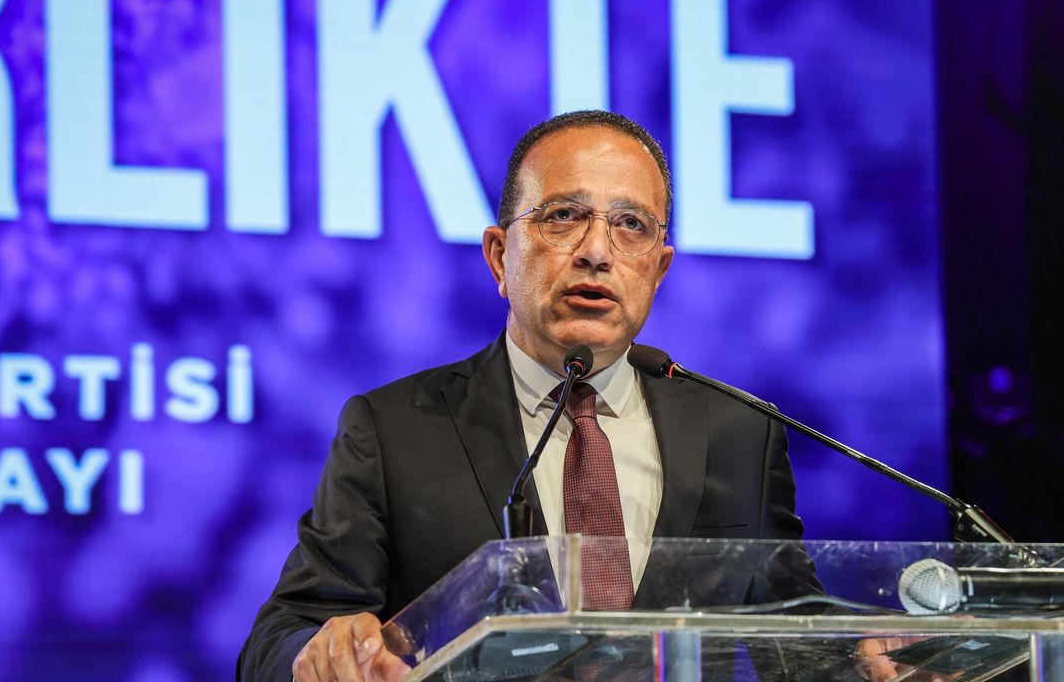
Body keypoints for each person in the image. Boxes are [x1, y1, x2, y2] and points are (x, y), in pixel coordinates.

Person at [237, 110, 805, 682]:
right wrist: (323, 653)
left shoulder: (740, 433)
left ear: (658, 271)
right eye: (564, 216)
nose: (597, 251)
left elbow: (801, 636)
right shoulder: (392, 432)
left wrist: (856, 656)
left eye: (631, 224)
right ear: (498, 256)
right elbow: (284, 636)